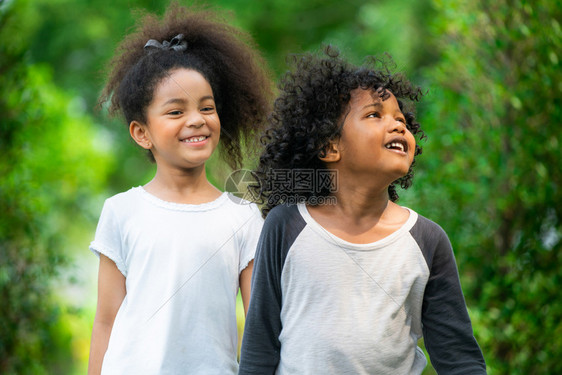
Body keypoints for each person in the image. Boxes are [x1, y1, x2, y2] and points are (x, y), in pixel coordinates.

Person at [239, 47, 486, 374]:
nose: (398, 126)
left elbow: (459, 360)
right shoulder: (285, 226)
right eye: (375, 115)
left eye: (401, 119)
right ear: (330, 146)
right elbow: (259, 350)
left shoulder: (427, 240)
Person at [87, 3, 272, 374]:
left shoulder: (243, 216)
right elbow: (106, 320)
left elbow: (258, 327)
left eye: (207, 107)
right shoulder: (121, 211)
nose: (196, 120)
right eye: (175, 111)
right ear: (142, 133)